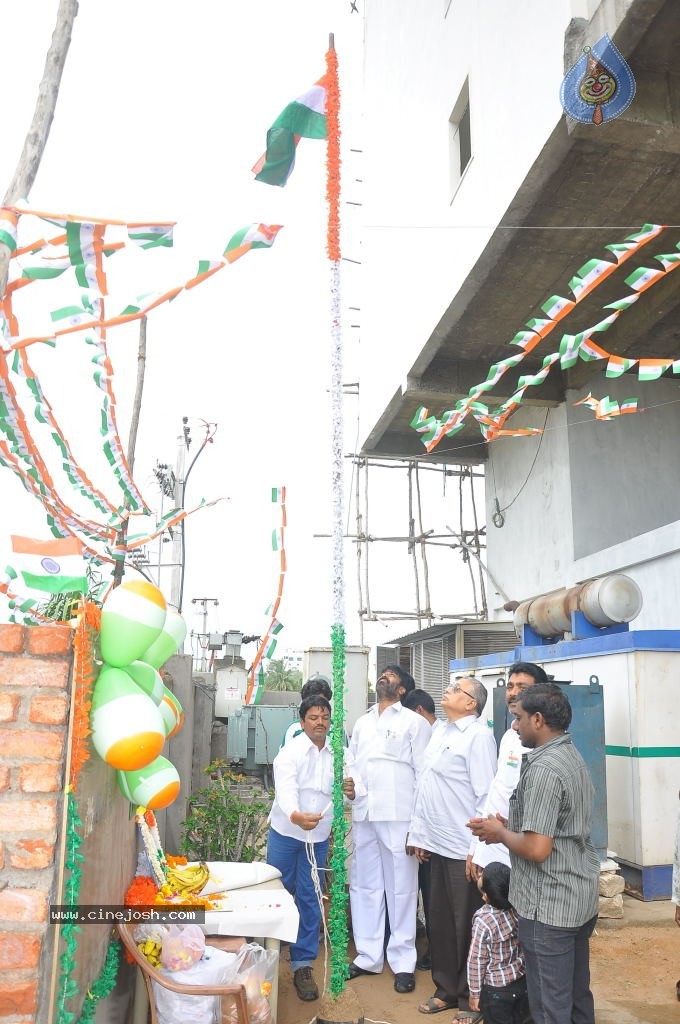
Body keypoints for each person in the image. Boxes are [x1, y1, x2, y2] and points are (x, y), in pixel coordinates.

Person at [468, 682, 600, 1024]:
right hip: (575, 897)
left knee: (549, 1006)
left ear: (538, 720)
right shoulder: (569, 755)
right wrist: (509, 825)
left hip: (549, 907)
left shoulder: (544, 769)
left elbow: (538, 849)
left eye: (519, 718)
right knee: (576, 996)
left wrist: (499, 834)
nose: (515, 726)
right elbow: (557, 825)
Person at [408, 677, 497, 1019]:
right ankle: (445, 989)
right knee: (440, 922)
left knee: (466, 926)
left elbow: (485, 797)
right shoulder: (440, 732)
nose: (448, 690)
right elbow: (425, 785)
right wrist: (419, 835)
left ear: (471, 703)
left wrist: (477, 849)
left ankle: (469, 998)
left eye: (457, 689)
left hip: (463, 849)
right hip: (436, 844)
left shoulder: (478, 737)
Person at [267, 694, 358, 1002]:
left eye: (325, 717)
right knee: (278, 891)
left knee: (310, 896)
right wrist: (295, 815)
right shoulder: (289, 753)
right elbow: (286, 790)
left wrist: (351, 790)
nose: (320, 723)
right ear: (302, 722)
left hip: (317, 838)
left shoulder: (341, 754)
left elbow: (352, 790)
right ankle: (266, 952)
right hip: (286, 832)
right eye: (314, 718)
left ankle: (302, 963)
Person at [347, 664, 431, 993]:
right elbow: (353, 764)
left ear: (402, 689)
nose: (384, 676)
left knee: (402, 889)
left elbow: (423, 775)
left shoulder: (413, 722)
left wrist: (418, 827)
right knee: (364, 885)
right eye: (382, 673)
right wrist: (353, 790)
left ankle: (403, 961)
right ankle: (368, 956)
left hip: (399, 816)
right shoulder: (363, 721)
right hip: (365, 813)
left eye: (391, 675)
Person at [469, 662, 548, 879]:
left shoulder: (541, 743)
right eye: (510, 686)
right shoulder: (509, 736)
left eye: (522, 688)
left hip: (520, 852)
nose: (513, 693)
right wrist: (477, 849)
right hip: (494, 846)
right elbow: (497, 792)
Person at [402, 687, 442, 972]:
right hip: (426, 830)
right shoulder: (438, 734)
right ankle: (430, 945)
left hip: (437, 832)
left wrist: (420, 833)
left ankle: (435, 949)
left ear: (417, 713)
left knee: (433, 895)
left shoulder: (435, 736)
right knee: (426, 892)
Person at [467, 861, 529, 1024]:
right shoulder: (517, 909)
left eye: (483, 874)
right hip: (521, 981)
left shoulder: (483, 921)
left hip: (496, 990)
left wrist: (474, 993)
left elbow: (476, 960)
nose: (480, 874)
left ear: (485, 895)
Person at [280, 674, 332, 746]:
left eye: (321, 702)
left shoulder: (338, 729)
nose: (320, 722)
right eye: (313, 718)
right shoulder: (294, 730)